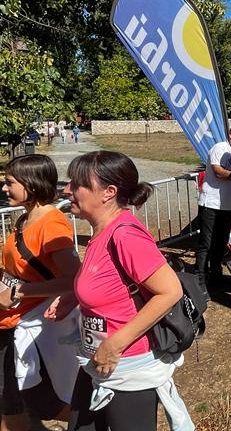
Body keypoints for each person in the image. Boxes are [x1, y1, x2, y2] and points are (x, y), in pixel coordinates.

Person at [61, 151, 193, 431]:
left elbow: (169, 292)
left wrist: (114, 344)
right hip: (98, 363)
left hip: (127, 369)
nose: (67, 189)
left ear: (109, 192)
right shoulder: (102, 231)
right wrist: (72, 298)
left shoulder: (124, 234)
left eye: (77, 184)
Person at [0, 155, 80, 431]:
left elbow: (74, 279)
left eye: (9, 182)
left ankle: (103, 421)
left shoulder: (51, 224)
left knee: (38, 402)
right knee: (15, 401)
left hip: (34, 329)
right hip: (11, 322)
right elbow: (21, 266)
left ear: (31, 184)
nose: (3, 188)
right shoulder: (24, 219)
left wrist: (20, 291)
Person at [196, 122, 231, 292]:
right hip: (210, 203)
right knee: (206, 242)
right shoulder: (220, 148)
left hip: (228, 205)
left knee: (221, 242)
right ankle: (200, 278)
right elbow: (219, 173)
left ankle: (216, 275)